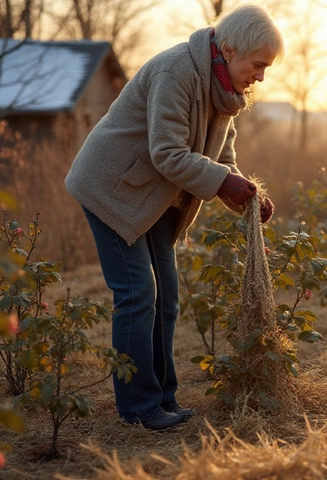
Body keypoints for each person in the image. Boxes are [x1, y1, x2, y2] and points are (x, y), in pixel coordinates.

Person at [64, 3, 284, 431]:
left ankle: (162, 397)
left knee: (167, 296)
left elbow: (222, 155)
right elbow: (167, 152)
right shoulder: (176, 71)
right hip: (112, 188)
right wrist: (224, 183)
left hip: (157, 197)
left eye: (266, 68)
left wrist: (245, 194)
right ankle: (138, 407)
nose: (261, 76)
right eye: (258, 65)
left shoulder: (226, 92)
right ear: (232, 48)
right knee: (137, 294)